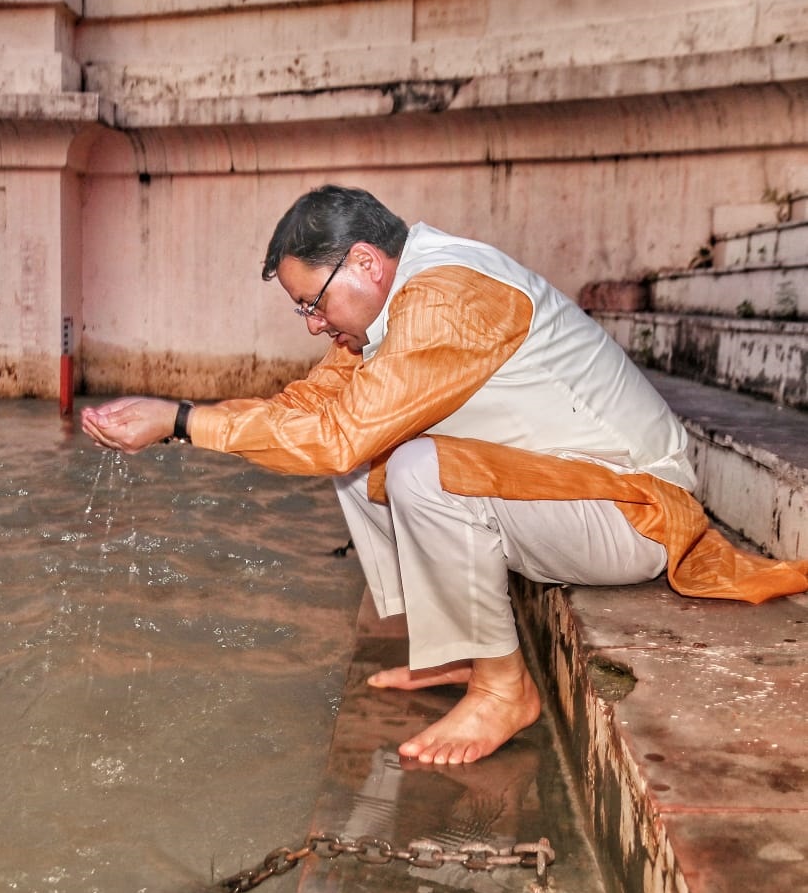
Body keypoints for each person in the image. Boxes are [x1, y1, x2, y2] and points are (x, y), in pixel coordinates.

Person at [82, 184, 808, 766]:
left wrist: (178, 419)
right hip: (566, 493)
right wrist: (183, 417)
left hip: (636, 512)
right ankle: (456, 647)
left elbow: (334, 437)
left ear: (365, 262)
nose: (311, 324)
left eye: (312, 304)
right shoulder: (391, 306)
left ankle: (503, 689)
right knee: (367, 456)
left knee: (415, 468)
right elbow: (308, 409)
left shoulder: (448, 297)